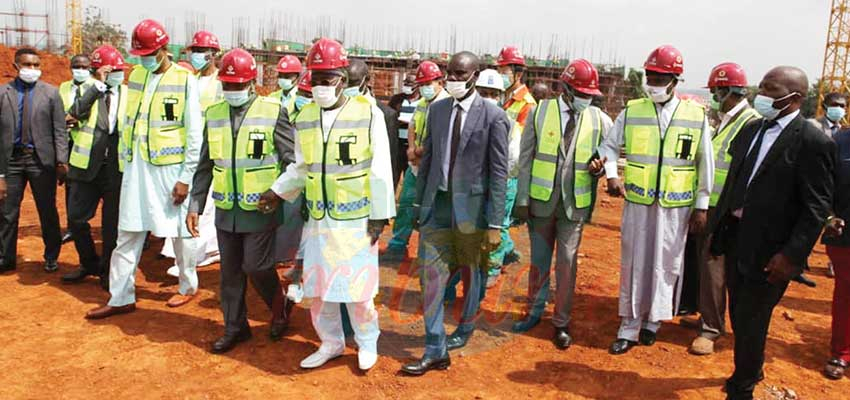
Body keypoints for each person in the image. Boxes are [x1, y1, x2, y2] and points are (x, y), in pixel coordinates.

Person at [265, 38, 395, 371]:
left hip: (355, 219)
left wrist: (379, 217)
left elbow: (380, 168)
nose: (322, 86)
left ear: (342, 78)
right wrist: (277, 191)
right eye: (317, 78)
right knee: (319, 288)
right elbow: (301, 166)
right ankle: (331, 342)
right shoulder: (305, 116)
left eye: (328, 79)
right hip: (319, 218)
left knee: (359, 288)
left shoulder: (368, 113)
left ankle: (366, 343)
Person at [709, 66, 834, 399]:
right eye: (761, 86)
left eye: (770, 89)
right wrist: (718, 228)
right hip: (736, 236)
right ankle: (753, 366)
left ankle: (743, 384)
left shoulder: (812, 140)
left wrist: (792, 256)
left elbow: (816, 207)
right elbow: (736, 181)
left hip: (772, 251)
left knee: (752, 317)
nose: (761, 94)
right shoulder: (751, 130)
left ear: (795, 98)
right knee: (738, 310)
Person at [590, 45, 714, 355]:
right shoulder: (633, 111)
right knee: (635, 264)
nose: (653, 83)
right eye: (650, 76)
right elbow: (609, 147)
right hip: (639, 202)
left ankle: (654, 322)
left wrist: (701, 205)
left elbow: (705, 163)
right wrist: (612, 175)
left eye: (660, 78)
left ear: (675, 80)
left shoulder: (695, 115)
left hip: (676, 207)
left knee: (666, 264)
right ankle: (629, 326)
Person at [85, 19, 202, 319]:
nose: (145, 59)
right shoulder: (136, 75)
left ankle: (188, 286)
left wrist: (185, 178)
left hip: (170, 170)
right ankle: (121, 296)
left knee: (180, 233)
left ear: (164, 49)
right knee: (128, 232)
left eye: (150, 53)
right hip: (136, 168)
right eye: (141, 54)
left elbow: (194, 134)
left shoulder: (184, 80)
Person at [401, 51, 508, 376]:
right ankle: (435, 347)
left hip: (473, 212)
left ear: (474, 77)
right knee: (429, 275)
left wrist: (493, 223)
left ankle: (465, 325)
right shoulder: (437, 110)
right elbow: (428, 160)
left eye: (461, 75)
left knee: (471, 273)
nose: (454, 80)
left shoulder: (493, 116)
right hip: (438, 205)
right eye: (451, 74)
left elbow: (499, 172)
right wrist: (420, 205)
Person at [187, 48, 291, 353]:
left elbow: (292, 160)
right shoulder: (214, 113)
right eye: (227, 85)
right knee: (229, 273)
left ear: (252, 82)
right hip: (226, 209)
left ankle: (280, 306)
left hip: (261, 208)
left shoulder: (273, 112)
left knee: (256, 266)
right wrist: (195, 205)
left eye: (237, 85)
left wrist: (278, 192)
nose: (231, 91)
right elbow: (205, 165)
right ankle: (235, 327)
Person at [512, 59, 613, 348]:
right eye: (580, 93)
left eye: (589, 95)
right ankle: (533, 312)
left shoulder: (600, 120)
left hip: (575, 203)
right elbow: (526, 157)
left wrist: (600, 168)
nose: (585, 99)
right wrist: (522, 199)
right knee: (539, 261)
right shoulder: (540, 112)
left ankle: (561, 321)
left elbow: (608, 157)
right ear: (565, 89)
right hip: (541, 200)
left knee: (567, 263)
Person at [684, 63, 760, 355]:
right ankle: (707, 316)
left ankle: (712, 329)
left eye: (716, 91)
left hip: (724, 208)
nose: (714, 96)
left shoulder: (749, 123)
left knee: (715, 266)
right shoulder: (728, 119)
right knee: (704, 265)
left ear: (727, 91)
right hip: (712, 203)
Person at [60, 45, 128, 290]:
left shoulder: (129, 94)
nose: (119, 74)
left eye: (121, 70)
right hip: (85, 166)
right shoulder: (85, 91)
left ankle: (107, 271)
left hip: (116, 169)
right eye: (113, 70)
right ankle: (88, 263)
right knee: (77, 220)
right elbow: (73, 114)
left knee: (112, 227)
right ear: (99, 71)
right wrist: (97, 86)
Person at [0, 47, 68, 273]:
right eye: (27, 65)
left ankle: (51, 255)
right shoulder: (3, 93)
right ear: (16, 67)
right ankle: (5, 258)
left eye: (36, 65)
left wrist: (61, 161)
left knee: (47, 210)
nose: (32, 69)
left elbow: (59, 130)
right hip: (11, 161)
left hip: (41, 161)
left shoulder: (51, 93)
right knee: (7, 212)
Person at [162, 30, 224, 277]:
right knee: (188, 199)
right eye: (194, 50)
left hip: (211, 147)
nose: (197, 55)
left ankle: (199, 253)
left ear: (213, 54)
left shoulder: (221, 83)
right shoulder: (189, 80)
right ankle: (186, 251)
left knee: (206, 203)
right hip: (189, 147)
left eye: (201, 50)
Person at [383, 61, 448, 262]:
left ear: (439, 81)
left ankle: (428, 253)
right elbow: (412, 126)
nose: (425, 87)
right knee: (406, 205)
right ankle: (398, 244)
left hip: (433, 168)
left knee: (429, 209)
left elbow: (441, 137)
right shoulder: (422, 103)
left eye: (429, 83)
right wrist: (411, 149)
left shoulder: (446, 104)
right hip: (415, 166)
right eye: (422, 84)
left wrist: (418, 151)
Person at [472, 69, 521, 287]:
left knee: (498, 224)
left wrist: (499, 179)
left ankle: (492, 267)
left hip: (502, 181)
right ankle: (505, 252)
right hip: (475, 183)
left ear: (501, 96)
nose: (488, 98)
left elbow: (513, 158)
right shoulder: (467, 118)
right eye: (484, 92)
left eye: (493, 94)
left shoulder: (508, 123)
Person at [496, 45, 536, 266]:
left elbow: (517, 144)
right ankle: (509, 250)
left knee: (499, 220)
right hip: (496, 164)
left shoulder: (526, 105)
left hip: (510, 170)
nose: (500, 75)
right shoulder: (503, 98)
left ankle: (494, 267)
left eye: (504, 70)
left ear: (518, 73)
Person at [344, 59, 400, 186]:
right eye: (345, 82)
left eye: (353, 82)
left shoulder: (385, 115)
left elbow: (390, 161)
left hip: (368, 185)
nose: (348, 87)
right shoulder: (333, 109)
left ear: (367, 80)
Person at [58, 54, 95, 245]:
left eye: (84, 67)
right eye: (76, 66)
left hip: (89, 143)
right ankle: (73, 228)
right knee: (71, 187)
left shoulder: (96, 87)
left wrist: (76, 118)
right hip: (69, 142)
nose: (80, 70)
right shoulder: (63, 87)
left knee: (93, 186)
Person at [823, 126, 850, 380]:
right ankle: (841, 352)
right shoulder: (839, 142)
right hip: (845, 234)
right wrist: (829, 216)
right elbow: (823, 186)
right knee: (846, 293)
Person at [813, 92, 847, 280]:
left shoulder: (842, 132)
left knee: (834, 225)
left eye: (842, 106)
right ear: (825, 106)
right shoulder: (814, 127)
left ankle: (832, 263)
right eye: (835, 105)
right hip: (814, 183)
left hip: (834, 186)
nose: (839, 109)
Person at [388, 74, 419, 185]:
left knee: (410, 174)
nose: (407, 87)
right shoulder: (397, 99)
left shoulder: (422, 101)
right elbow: (389, 115)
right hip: (398, 143)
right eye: (406, 84)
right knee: (394, 173)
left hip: (414, 145)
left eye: (410, 84)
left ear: (418, 85)